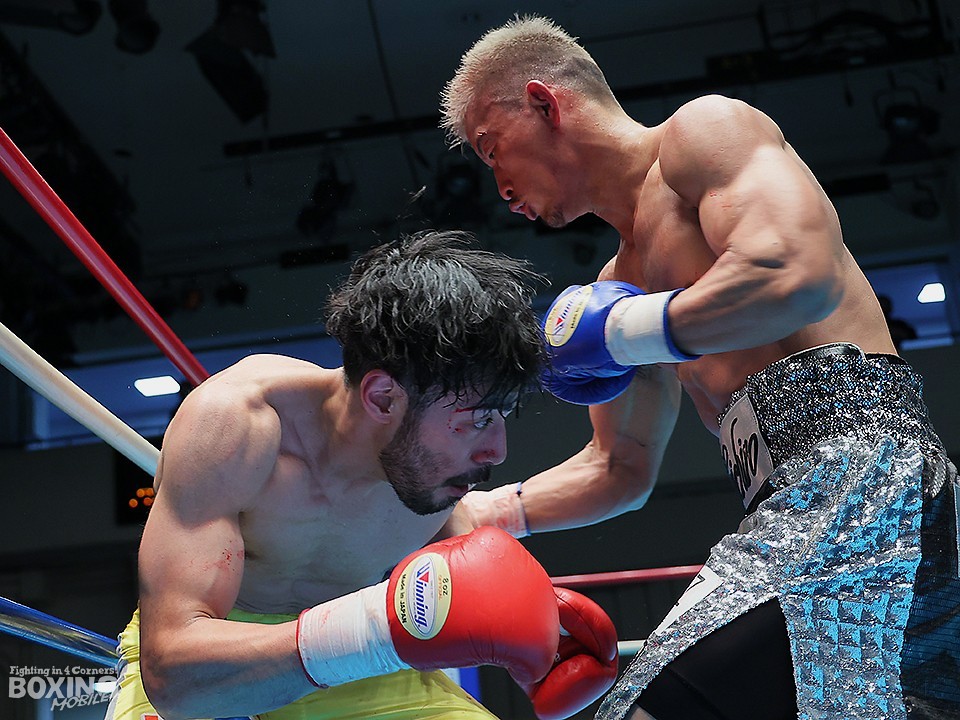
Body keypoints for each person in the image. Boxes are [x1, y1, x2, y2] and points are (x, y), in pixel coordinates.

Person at [441, 16, 960, 720]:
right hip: (794, 504)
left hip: (862, 471)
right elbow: (618, 466)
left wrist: (623, 334)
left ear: (543, 102)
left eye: (490, 146)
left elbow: (794, 273)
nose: (497, 184)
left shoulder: (703, 134)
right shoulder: (619, 286)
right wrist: (475, 514)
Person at [102, 229, 622, 720]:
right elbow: (173, 673)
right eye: (478, 419)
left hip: (354, 666)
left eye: (502, 417)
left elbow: (473, 589)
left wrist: (538, 648)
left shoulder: (429, 478)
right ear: (383, 397)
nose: (497, 451)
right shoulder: (237, 426)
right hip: (218, 653)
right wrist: (374, 630)